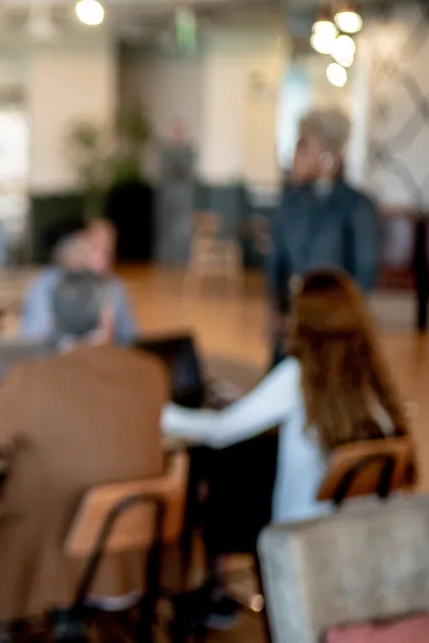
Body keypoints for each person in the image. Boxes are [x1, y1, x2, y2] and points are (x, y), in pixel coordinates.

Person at [0, 319, 170, 621]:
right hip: (136, 562)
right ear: (108, 318)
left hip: (50, 565)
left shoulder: (32, 378)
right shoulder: (152, 370)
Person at [163, 269, 411, 524]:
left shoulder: (299, 375)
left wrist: (160, 413)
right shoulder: (369, 377)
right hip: (355, 533)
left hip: (299, 538)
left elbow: (220, 430)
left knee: (234, 468)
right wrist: (250, 402)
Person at [268, 107, 380, 367]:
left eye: (303, 146)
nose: (294, 155)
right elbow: (276, 264)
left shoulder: (358, 207)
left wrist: (329, 319)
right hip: (291, 329)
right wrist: (276, 312)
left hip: (335, 334)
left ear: (328, 154)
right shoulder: (289, 204)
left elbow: (364, 275)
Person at [21, 218, 138, 347]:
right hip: (60, 363)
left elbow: (129, 338)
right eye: (95, 247)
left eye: (108, 250)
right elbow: (36, 341)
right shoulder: (46, 285)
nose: (103, 257)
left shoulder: (113, 286)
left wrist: (109, 338)